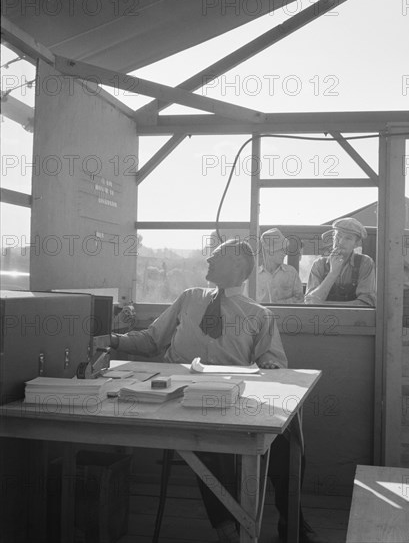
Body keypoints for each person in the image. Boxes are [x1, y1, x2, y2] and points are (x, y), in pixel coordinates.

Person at [110, 238, 318, 543]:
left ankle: (293, 522)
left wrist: (271, 367)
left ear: (237, 265)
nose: (208, 261)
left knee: (288, 441)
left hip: (226, 395)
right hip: (174, 395)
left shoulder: (259, 314)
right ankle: (229, 531)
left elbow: (274, 362)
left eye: (216, 257)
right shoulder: (189, 298)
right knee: (208, 436)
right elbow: (153, 340)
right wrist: (113, 340)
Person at [305, 217, 376, 306]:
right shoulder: (319, 264)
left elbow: (366, 303)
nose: (341, 242)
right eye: (338, 236)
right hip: (322, 319)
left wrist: (325, 305)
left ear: (356, 243)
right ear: (333, 238)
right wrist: (333, 273)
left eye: (348, 238)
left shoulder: (365, 263)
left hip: (354, 319)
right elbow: (310, 303)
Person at [257, 228, 304, 304]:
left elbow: (300, 299)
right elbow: (248, 303)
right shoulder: (254, 277)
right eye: (280, 250)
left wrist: (278, 304)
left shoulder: (291, 273)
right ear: (268, 251)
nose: (284, 253)